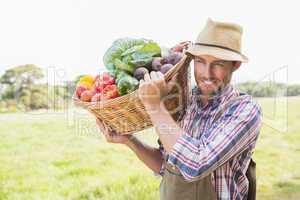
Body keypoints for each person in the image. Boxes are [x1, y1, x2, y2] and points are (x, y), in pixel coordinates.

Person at [96, 18, 262, 200]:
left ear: (235, 65)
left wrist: (155, 106)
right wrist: (130, 140)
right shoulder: (183, 102)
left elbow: (196, 164)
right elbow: (166, 165)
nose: (207, 73)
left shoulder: (244, 110)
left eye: (218, 64)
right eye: (200, 61)